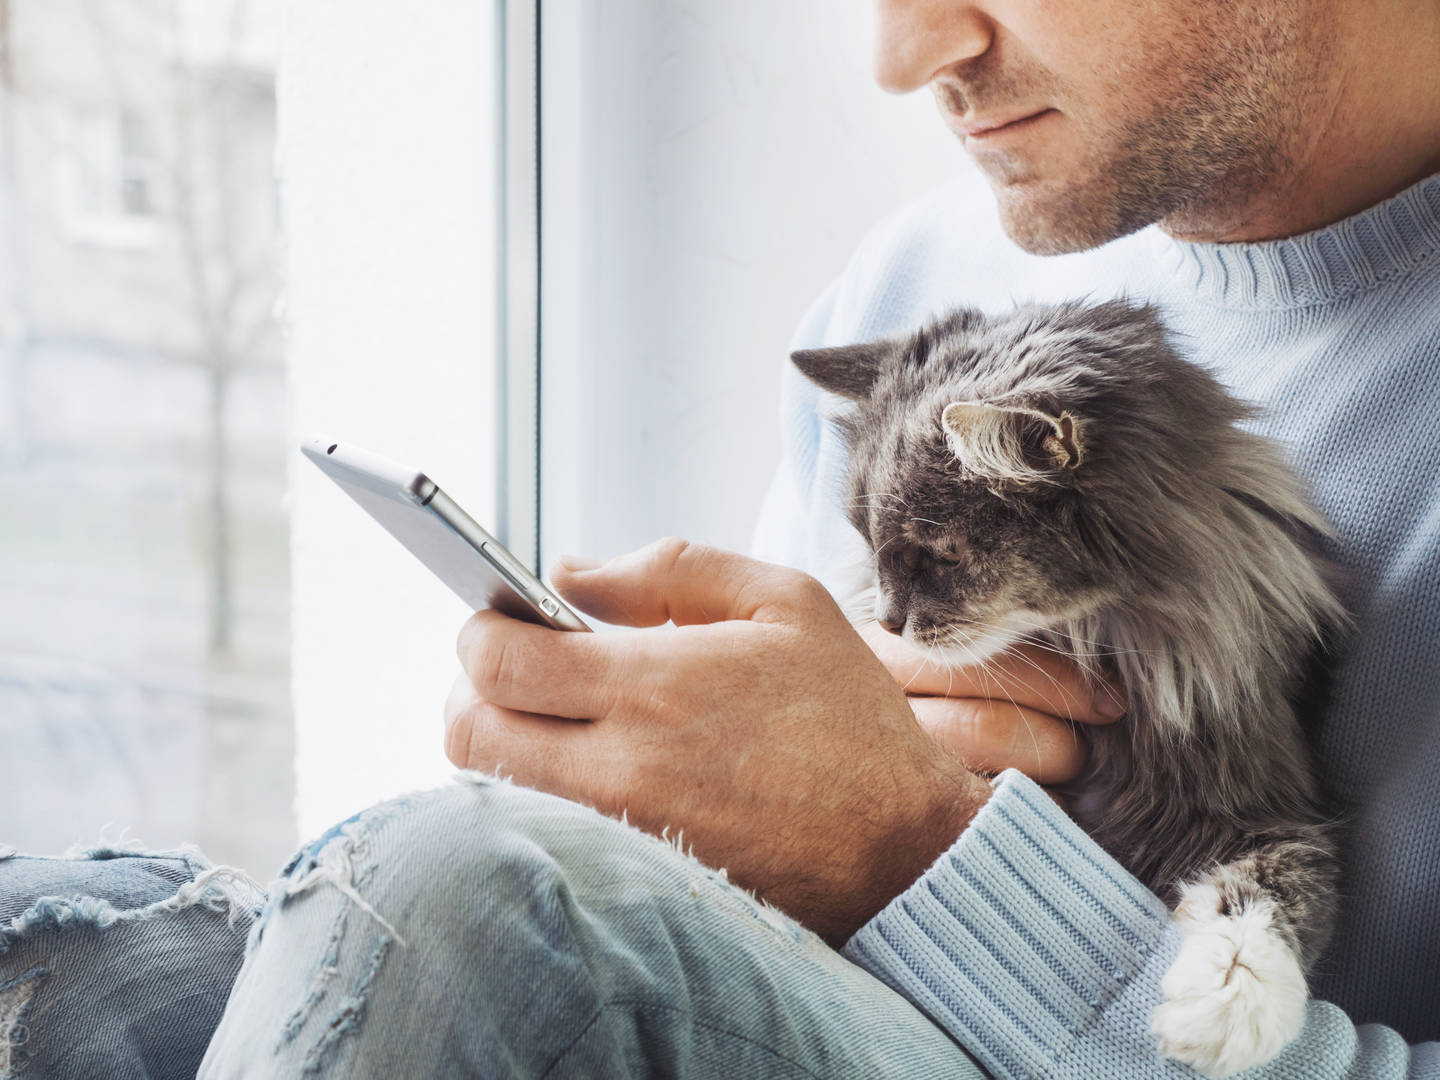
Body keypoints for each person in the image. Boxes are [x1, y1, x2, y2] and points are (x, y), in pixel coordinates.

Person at [4, 0, 1437, 1076]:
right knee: (82, 949)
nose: (904, 52)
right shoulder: (931, 284)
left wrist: (917, 853)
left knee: (452, 899)